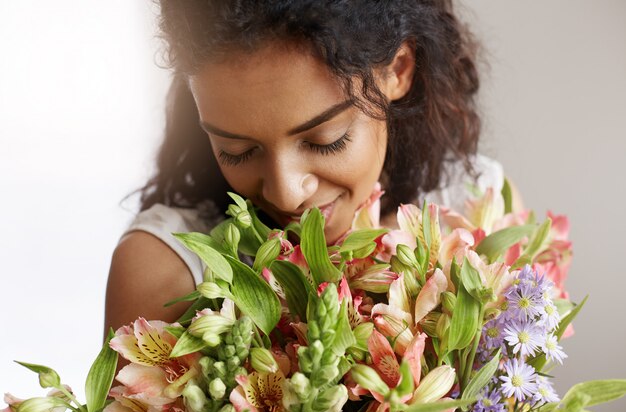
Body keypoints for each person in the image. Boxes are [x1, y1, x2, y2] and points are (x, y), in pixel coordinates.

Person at [105, 0, 510, 337]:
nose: (286, 193)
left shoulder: (477, 212)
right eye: (238, 150)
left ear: (398, 69)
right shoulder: (166, 272)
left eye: (325, 140)